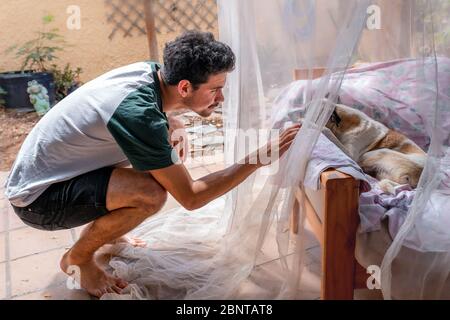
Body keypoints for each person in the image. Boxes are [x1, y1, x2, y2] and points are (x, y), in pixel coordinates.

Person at [4, 31, 300, 298]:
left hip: (57, 173)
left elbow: (155, 118)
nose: (220, 98)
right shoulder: (139, 114)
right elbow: (192, 197)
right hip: (38, 201)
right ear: (184, 87)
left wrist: (175, 124)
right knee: (151, 195)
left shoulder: (152, 73)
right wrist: (260, 157)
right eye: (215, 89)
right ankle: (78, 258)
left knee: (166, 142)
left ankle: (111, 228)